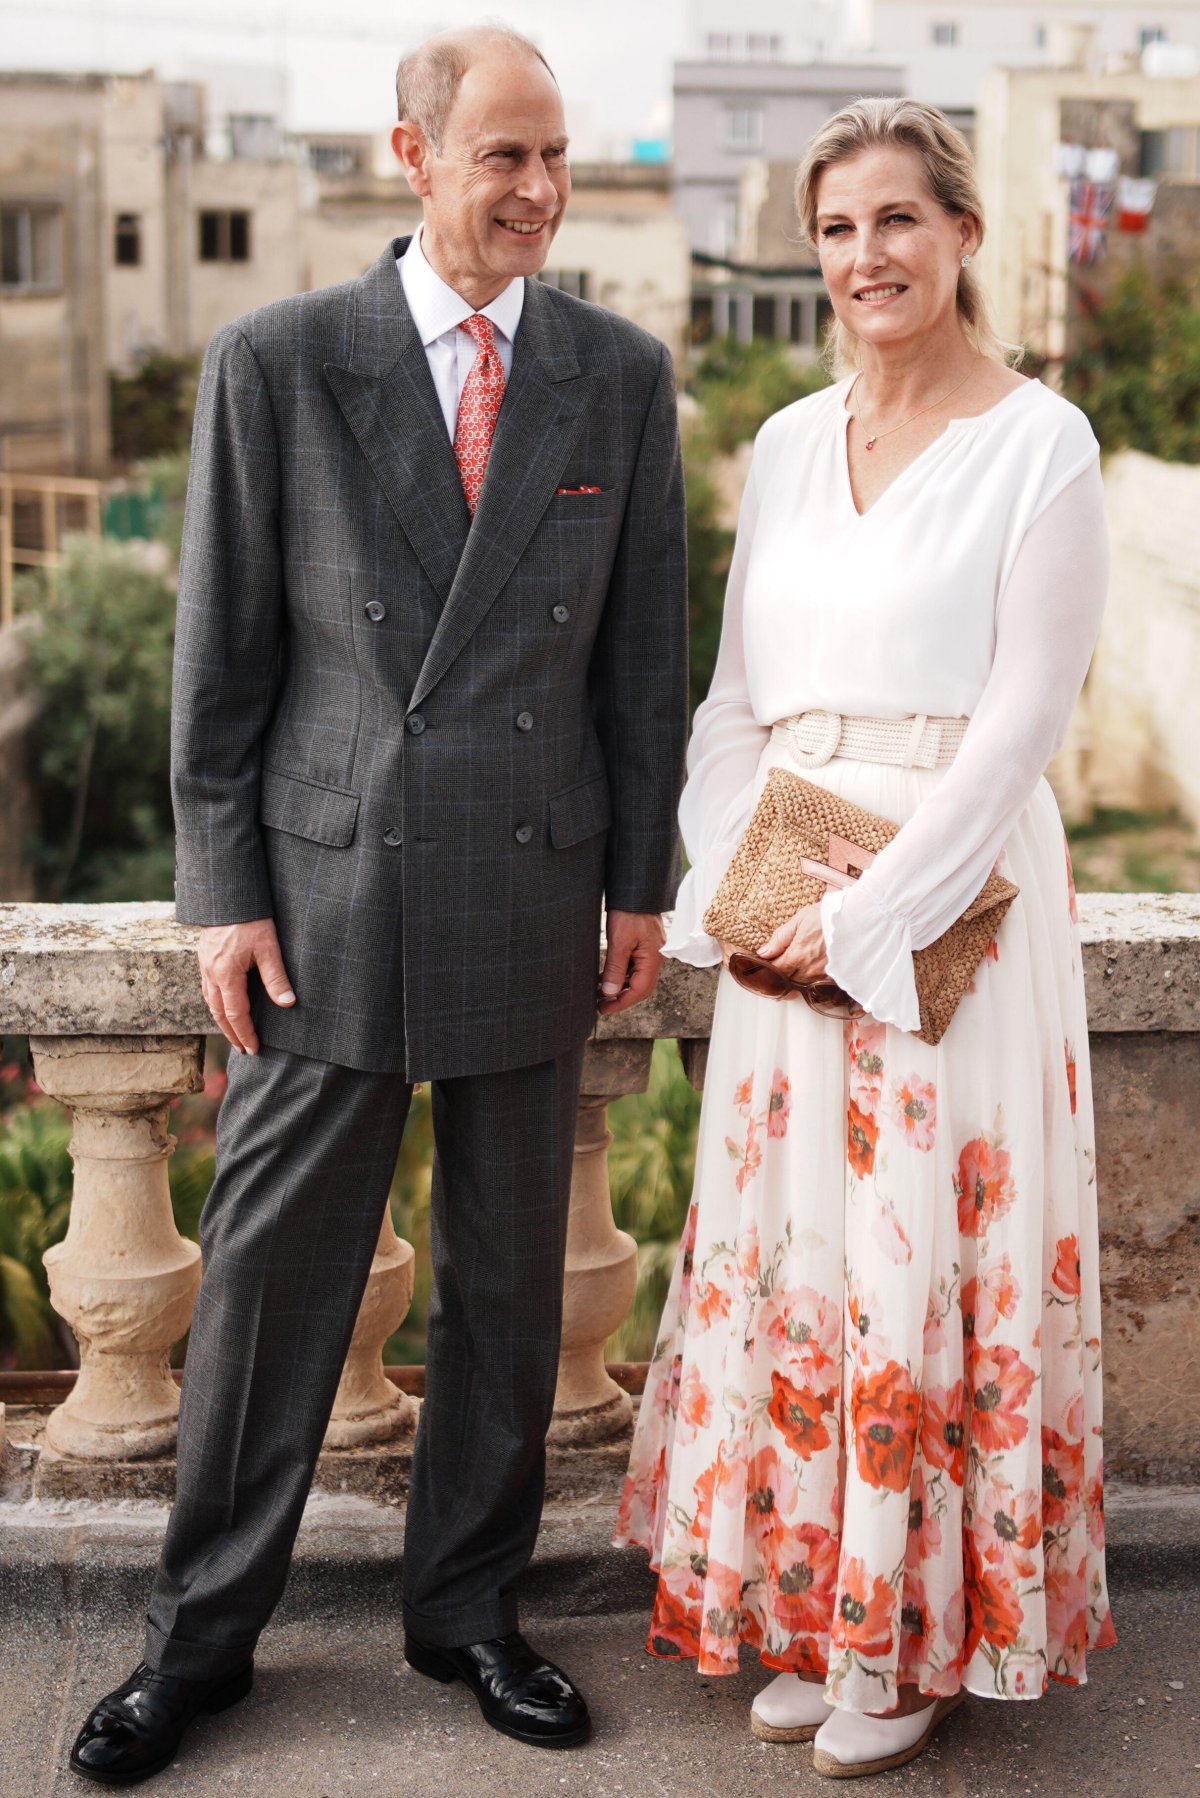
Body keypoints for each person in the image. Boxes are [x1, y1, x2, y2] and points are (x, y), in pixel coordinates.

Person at [69, 24, 687, 1785]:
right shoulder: (277, 360)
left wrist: (640, 878)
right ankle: (198, 1640)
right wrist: (220, 893)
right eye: (507, 155)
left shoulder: (618, 373)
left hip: (536, 875)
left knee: (506, 1284)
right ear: (412, 155)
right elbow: (221, 659)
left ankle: (469, 1611)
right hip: (329, 889)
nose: (543, 190)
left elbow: (645, 660)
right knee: (270, 1281)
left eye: (556, 154)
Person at [616, 96, 1116, 1780]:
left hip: (951, 911)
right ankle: (827, 1609)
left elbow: (1022, 722)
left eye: (898, 219)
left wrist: (870, 916)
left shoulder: (1043, 443)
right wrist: (739, 896)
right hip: (787, 916)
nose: (866, 256)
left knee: (922, 1257)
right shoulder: (779, 442)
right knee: (808, 1259)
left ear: (963, 232)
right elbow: (733, 704)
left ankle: (912, 1642)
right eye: (836, 228)